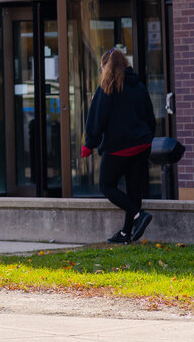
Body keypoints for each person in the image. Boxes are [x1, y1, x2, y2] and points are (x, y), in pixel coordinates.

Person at [81, 47, 156, 245]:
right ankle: (126, 234)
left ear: (106, 66)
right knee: (133, 189)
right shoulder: (138, 85)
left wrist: (90, 143)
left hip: (118, 147)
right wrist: (148, 138)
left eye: (101, 67)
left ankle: (139, 216)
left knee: (106, 185)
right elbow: (150, 116)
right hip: (142, 145)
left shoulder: (107, 86)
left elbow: (96, 118)